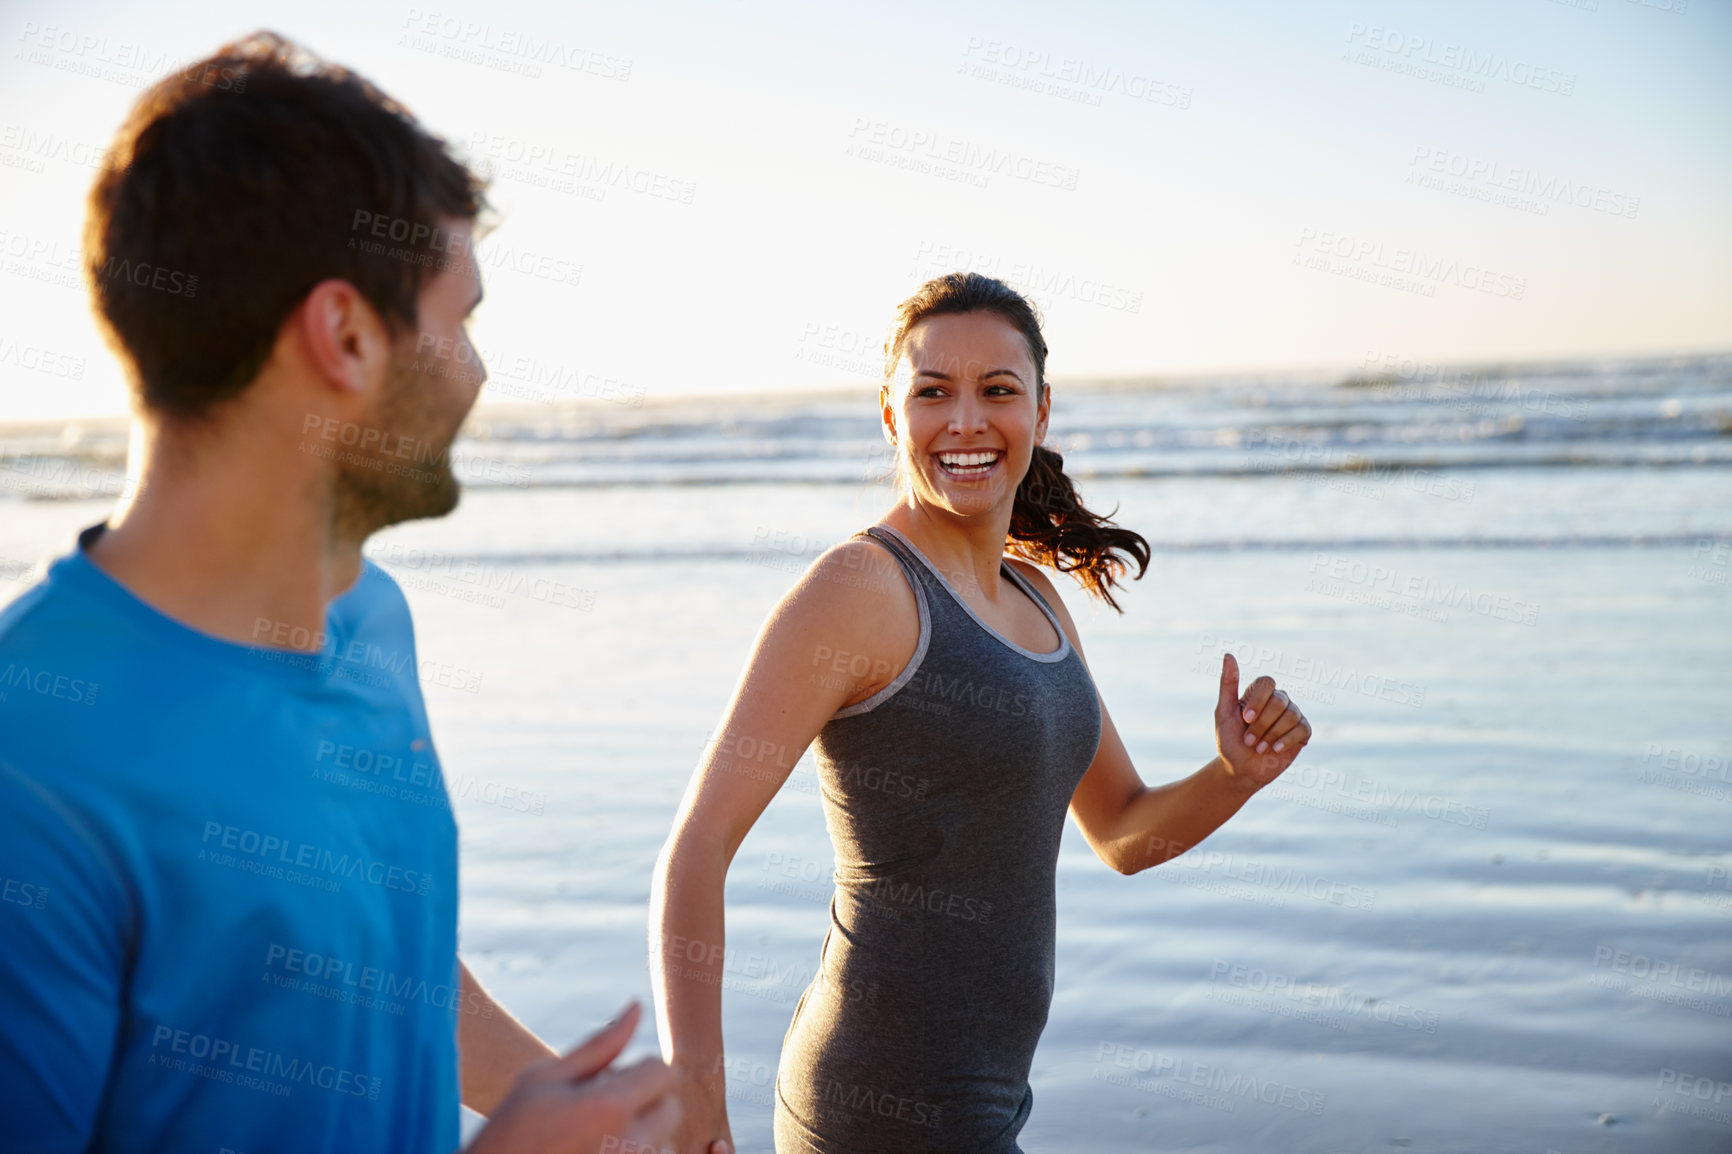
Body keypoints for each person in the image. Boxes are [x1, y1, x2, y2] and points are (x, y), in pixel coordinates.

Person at [0, 33, 682, 1154]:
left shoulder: (370, 620)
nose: (476, 368)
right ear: (348, 335)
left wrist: (565, 1102)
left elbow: (368, 943)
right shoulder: (31, 764)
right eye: (459, 319)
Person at [651, 272, 1315, 1153]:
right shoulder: (859, 590)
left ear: (1040, 415)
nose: (965, 421)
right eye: (933, 393)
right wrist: (692, 1095)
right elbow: (698, 845)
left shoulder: (1036, 599)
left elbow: (1121, 832)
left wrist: (1234, 777)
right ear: (893, 417)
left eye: (997, 391)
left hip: (991, 1106)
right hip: (872, 1108)